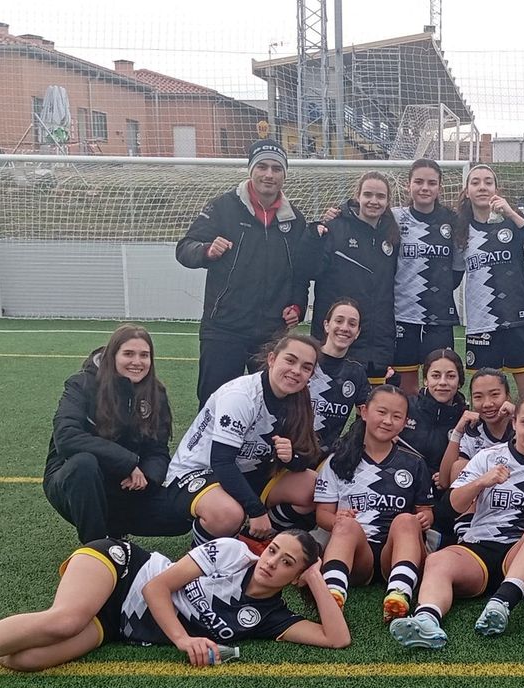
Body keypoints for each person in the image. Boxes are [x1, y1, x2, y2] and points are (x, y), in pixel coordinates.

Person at [0, 531, 346, 688]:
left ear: (293, 577)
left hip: (118, 627)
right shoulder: (232, 553)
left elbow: (336, 639)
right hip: (122, 568)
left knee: (23, 660)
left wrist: (316, 575)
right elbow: (156, 588)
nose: (271, 563)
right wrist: (185, 640)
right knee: (66, 619)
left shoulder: (270, 618)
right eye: (273, 551)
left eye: (287, 563)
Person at [390, 392, 524, 648]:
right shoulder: (488, 457)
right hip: (480, 546)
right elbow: (449, 510)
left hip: (523, 552)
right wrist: (481, 482)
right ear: (514, 423)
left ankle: (502, 603)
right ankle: (426, 620)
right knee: (437, 560)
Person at [177, 139, 318, 404]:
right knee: (215, 402)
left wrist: (297, 306)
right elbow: (184, 249)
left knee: (269, 404)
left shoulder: (295, 220)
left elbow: (300, 273)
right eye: (262, 166)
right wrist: (207, 250)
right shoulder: (222, 207)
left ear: (284, 175)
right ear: (250, 170)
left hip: (271, 332)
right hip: (223, 328)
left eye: (276, 169)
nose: (269, 174)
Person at [162, 333, 323, 547]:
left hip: (246, 472)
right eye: (290, 360)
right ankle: (199, 565)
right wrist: (256, 510)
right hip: (198, 472)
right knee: (228, 514)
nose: (296, 371)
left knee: (314, 488)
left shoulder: (298, 398)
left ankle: (251, 541)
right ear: (272, 359)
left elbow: (304, 458)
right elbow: (221, 461)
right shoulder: (241, 395)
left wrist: (291, 456)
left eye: (306, 367)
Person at [43, 324, 185, 543]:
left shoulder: (156, 393)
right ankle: (98, 550)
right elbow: (66, 437)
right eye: (128, 354)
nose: (137, 362)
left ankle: (115, 530)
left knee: (182, 514)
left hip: (124, 484)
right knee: (84, 464)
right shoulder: (81, 384)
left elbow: (158, 451)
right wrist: (128, 462)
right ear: (112, 356)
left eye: (144, 355)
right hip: (75, 480)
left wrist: (147, 475)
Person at [314, 386, 435, 622]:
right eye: (381, 412)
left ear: (404, 422)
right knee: (347, 525)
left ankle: (399, 593)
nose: (388, 421)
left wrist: (424, 519)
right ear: (364, 412)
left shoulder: (413, 463)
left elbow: (426, 512)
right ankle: (332, 594)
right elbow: (322, 515)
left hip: (397, 550)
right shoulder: (338, 461)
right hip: (358, 554)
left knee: (406, 519)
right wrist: (337, 520)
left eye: (397, 416)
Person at [457, 163, 524, 397]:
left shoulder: (511, 223)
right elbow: (450, 276)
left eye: (488, 182)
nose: (482, 187)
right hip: (482, 325)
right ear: (467, 191)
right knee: (486, 399)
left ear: (496, 189)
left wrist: (511, 213)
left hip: (519, 321)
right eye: (476, 182)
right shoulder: (459, 229)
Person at [313, 171, 400, 384]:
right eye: (368, 194)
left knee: (374, 405)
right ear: (357, 196)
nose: (373, 201)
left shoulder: (392, 234)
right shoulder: (335, 228)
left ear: (388, 201)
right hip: (340, 335)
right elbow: (312, 271)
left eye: (380, 196)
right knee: (327, 400)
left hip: (377, 338)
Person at [393, 160, 465, 396]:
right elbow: (362, 212)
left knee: (440, 383)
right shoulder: (394, 217)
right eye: (419, 182)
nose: (425, 188)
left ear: (440, 188)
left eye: (431, 183)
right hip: (402, 314)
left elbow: (456, 273)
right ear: (408, 186)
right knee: (406, 387)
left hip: (439, 317)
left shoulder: (453, 221)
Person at [309, 299, 372, 453]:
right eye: (339, 320)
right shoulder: (306, 359)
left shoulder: (356, 372)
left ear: (357, 333)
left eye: (352, 324)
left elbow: (366, 416)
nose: (344, 328)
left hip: (326, 458)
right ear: (326, 325)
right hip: (287, 450)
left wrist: (348, 445)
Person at [402, 348, 468, 490]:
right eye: (436, 376)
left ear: (460, 381)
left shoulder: (466, 419)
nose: (443, 382)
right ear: (426, 380)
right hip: (403, 484)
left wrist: (448, 474)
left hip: (443, 491)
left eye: (450, 376)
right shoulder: (405, 407)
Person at [442, 368, 515, 487]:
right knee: (458, 466)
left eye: (495, 395)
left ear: (507, 396)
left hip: (519, 497)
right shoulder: (473, 432)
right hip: (481, 500)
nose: (487, 404)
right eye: (478, 397)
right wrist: (458, 431)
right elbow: (444, 482)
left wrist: (519, 414)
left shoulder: (522, 427)